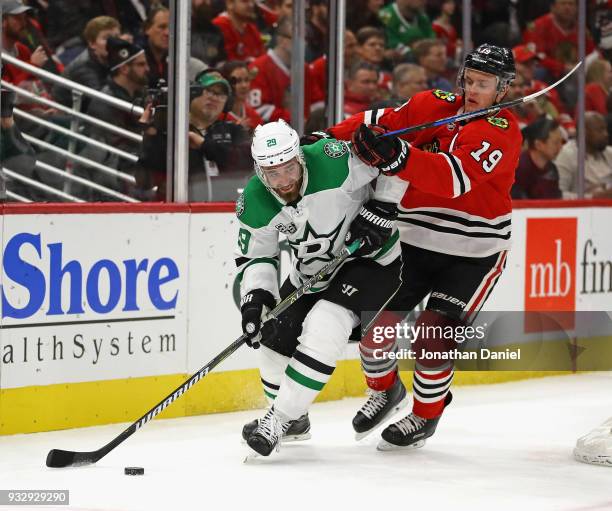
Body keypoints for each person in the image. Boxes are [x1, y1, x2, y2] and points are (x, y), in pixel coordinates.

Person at [310, 44, 522, 450]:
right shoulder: (434, 105)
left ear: (503, 88)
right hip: (412, 243)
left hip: (473, 253)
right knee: (374, 333)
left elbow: (453, 179)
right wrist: (325, 138)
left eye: (485, 83)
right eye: (470, 79)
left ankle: (426, 416)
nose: (473, 89)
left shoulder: (502, 131)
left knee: (433, 336)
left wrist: (398, 157)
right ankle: (386, 391)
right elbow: (378, 121)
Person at [237, 119, 409, 456]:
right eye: (273, 174)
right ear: (259, 172)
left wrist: (383, 207)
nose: (284, 181)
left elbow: (396, 162)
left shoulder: (333, 160)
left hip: (369, 262)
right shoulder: (255, 201)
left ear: (299, 157)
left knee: (324, 324)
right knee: (272, 340)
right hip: (315, 274)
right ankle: (294, 418)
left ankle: (278, 419)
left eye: (288, 168)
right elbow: (257, 257)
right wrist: (255, 301)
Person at [248, 16, 323, 123]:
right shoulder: (258, 67)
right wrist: (293, 119)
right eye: (298, 38)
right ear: (282, 40)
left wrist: (313, 121)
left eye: (305, 39)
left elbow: (317, 102)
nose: (304, 44)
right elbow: (257, 108)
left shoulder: (304, 69)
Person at [52, 16, 122, 108]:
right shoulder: (83, 67)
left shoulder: (114, 58)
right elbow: (102, 102)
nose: (114, 42)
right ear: (92, 43)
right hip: (70, 115)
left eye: (117, 37)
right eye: (106, 38)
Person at [555, 111, 612, 199]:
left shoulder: (609, 153)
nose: (606, 134)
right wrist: (591, 197)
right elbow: (558, 195)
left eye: (605, 129)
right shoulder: (567, 156)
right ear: (584, 132)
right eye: (600, 130)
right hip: (584, 209)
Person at [512, 117, 564, 199]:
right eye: (556, 142)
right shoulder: (518, 170)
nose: (560, 147)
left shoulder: (552, 170)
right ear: (538, 145)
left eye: (561, 142)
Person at [219, 60, 263, 132]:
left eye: (246, 80)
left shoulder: (255, 117)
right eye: (238, 81)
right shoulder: (217, 116)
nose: (244, 85)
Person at [143, 6, 170, 88]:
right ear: (147, 29)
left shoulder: (175, 61)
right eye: (162, 27)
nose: (167, 33)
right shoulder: (138, 62)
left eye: (171, 28)